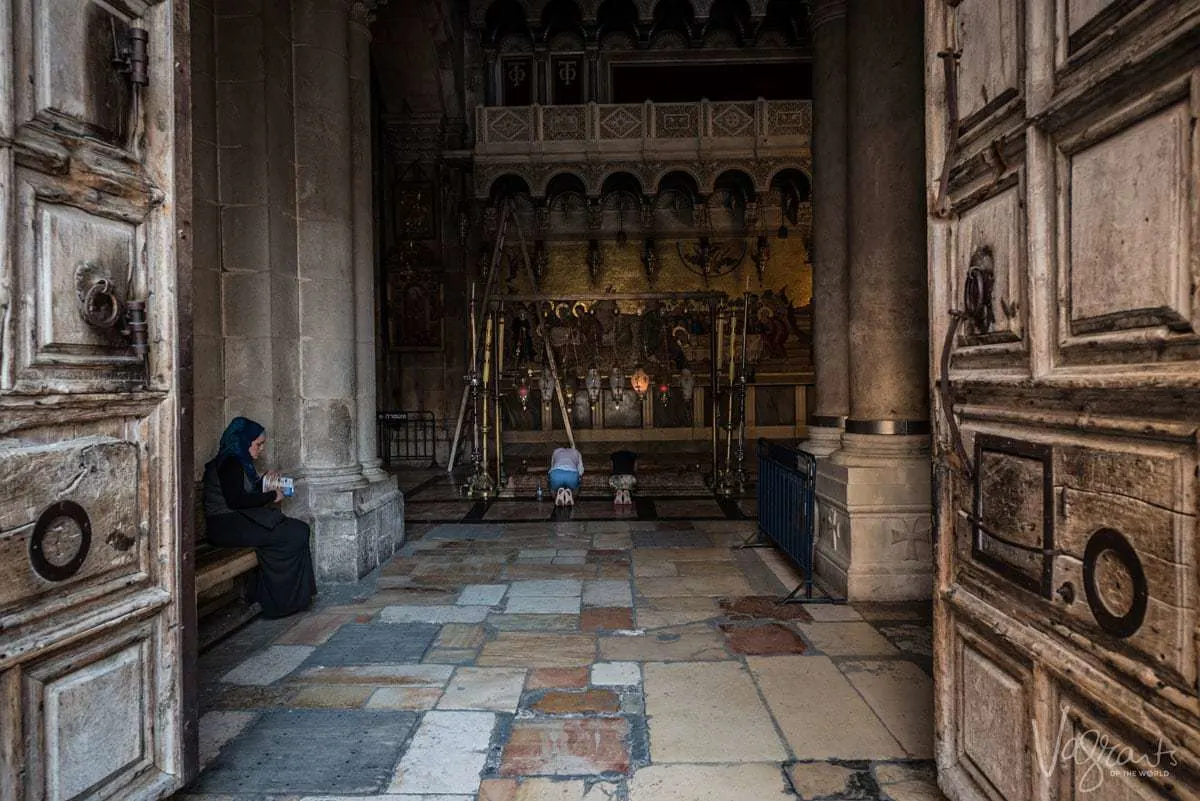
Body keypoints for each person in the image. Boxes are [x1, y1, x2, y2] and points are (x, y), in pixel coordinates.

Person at [203, 417, 316, 618]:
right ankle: (279, 601)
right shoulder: (230, 463)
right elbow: (236, 500)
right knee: (294, 533)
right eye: (258, 444)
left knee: (298, 530)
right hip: (225, 525)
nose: (261, 449)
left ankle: (284, 597)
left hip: (235, 520)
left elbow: (243, 491)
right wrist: (272, 495)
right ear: (243, 442)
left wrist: (265, 482)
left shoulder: (239, 462)